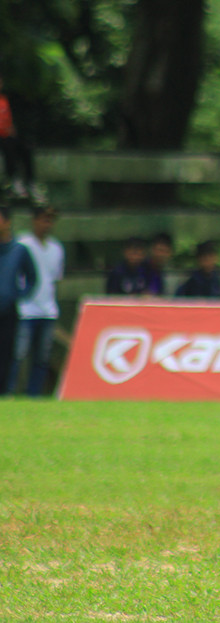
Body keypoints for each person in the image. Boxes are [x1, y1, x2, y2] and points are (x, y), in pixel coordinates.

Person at [8, 205, 63, 395]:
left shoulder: (56, 248)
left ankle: (34, 393)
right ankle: (10, 392)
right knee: (18, 355)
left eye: (50, 220)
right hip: (25, 310)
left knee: (41, 358)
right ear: (34, 220)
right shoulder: (22, 244)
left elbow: (56, 280)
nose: (47, 224)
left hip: (47, 310)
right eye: (43, 219)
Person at [0, 206, 36, 395]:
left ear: (7, 222)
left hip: (8, 310)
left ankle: (4, 391)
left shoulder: (18, 250)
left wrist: (19, 294)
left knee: (7, 352)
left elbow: (32, 277)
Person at [0, 74, 41, 202]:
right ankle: (13, 179)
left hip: (8, 134)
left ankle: (30, 181)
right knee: (9, 146)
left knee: (25, 146)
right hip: (2, 136)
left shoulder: (5, 100)